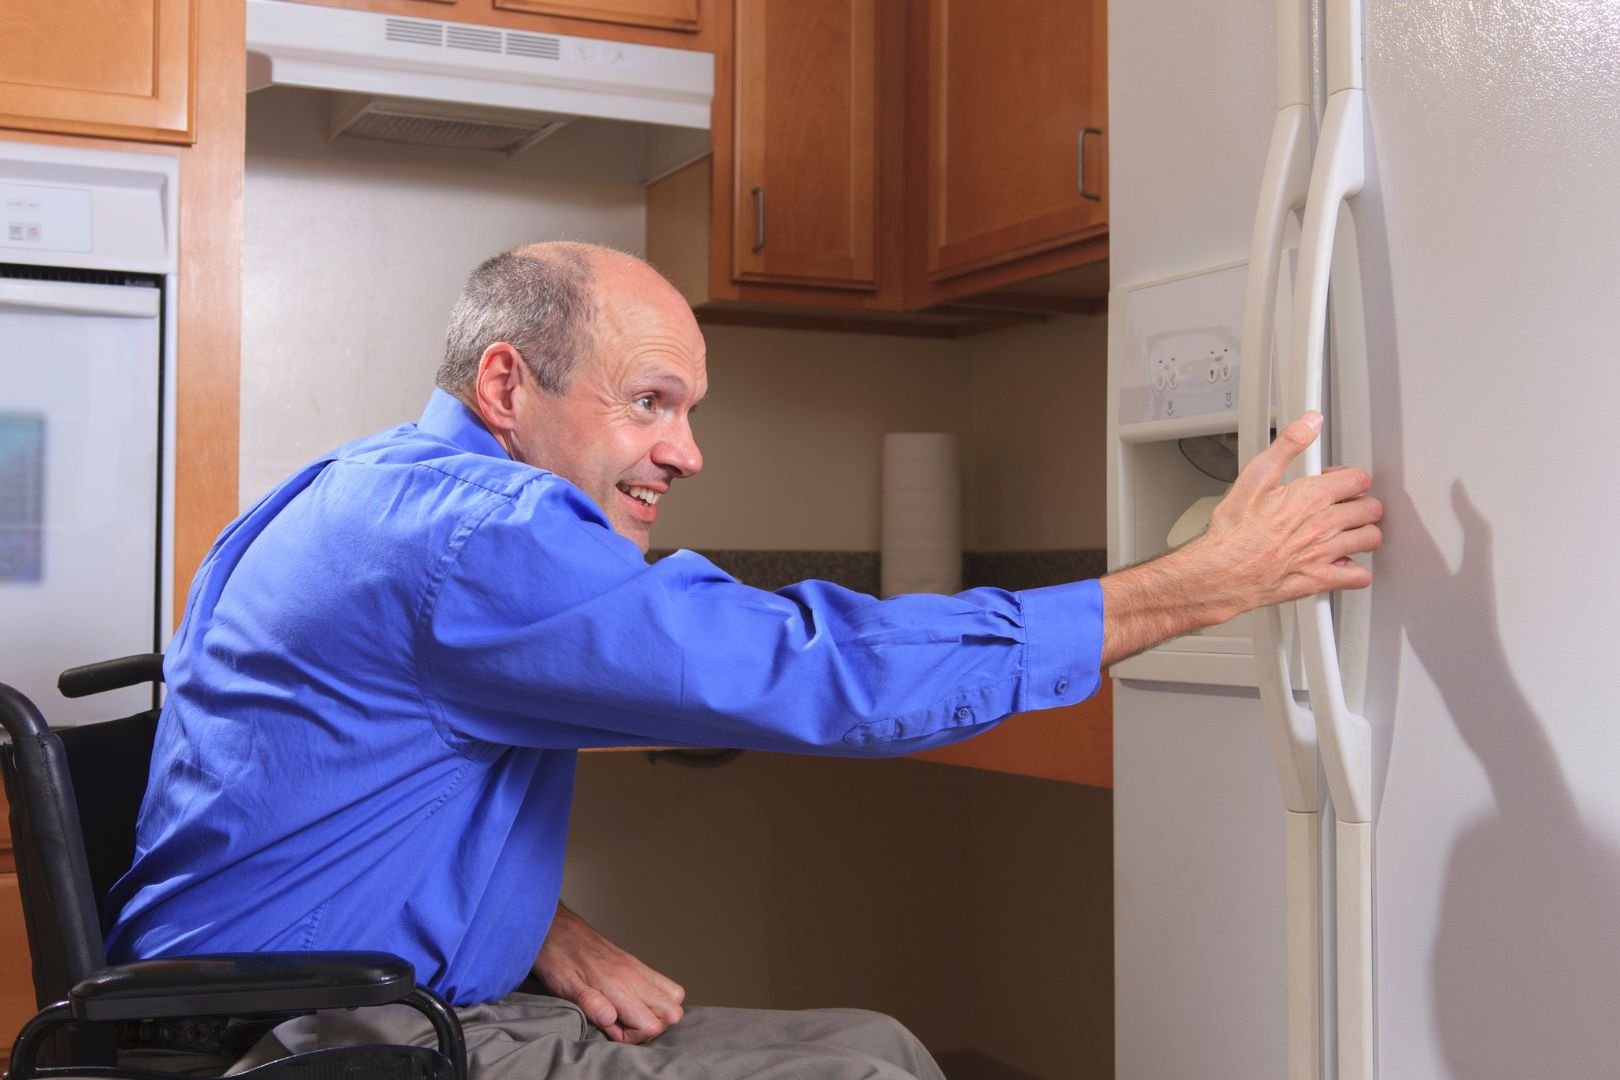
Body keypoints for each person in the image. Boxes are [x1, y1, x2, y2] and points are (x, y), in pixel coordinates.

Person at [106, 242, 1381, 1080]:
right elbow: (823, 675)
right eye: (651, 402)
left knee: (871, 1039)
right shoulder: (482, 537)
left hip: (244, 1009)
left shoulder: (346, 490)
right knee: (865, 1071)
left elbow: (326, 797)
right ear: (509, 383)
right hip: (321, 1046)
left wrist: (539, 921)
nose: (687, 450)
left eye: (691, 410)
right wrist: (1199, 582)